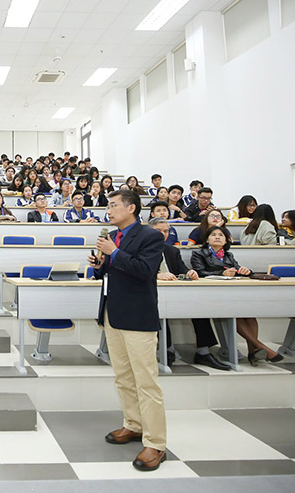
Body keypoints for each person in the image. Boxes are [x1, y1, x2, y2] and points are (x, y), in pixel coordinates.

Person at [87, 189, 167, 471]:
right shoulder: (113, 236)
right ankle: (133, 424)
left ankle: (155, 443)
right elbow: (112, 272)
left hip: (137, 316)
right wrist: (100, 265)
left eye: (113, 205)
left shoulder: (150, 236)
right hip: (113, 313)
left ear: (131, 208)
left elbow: (145, 270)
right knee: (123, 377)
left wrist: (115, 253)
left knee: (146, 381)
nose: (108, 210)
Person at [190, 226, 282, 366]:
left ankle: (252, 351)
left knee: (249, 314)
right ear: (207, 239)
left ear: (226, 240)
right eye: (213, 235)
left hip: (230, 293)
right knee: (235, 313)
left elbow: (237, 269)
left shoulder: (228, 255)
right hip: (211, 294)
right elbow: (200, 272)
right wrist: (221, 273)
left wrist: (246, 271)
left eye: (221, 235)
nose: (217, 237)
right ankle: (260, 347)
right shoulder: (198, 254)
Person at [147, 218, 230, 371]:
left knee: (197, 306)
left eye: (166, 231)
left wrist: (189, 272)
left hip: (174, 292)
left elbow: (182, 269)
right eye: (158, 231)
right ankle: (168, 349)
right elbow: (136, 270)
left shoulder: (172, 251)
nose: (163, 234)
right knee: (158, 310)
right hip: (149, 294)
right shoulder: (140, 249)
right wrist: (157, 275)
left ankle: (203, 352)